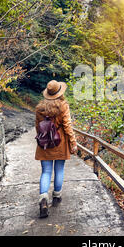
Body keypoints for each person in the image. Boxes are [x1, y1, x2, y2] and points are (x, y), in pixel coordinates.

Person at [35, 80, 77, 218]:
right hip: (60, 143)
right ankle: (57, 196)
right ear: (60, 93)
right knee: (59, 169)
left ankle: (43, 199)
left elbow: (38, 128)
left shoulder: (39, 108)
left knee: (46, 171)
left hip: (45, 144)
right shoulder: (63, 106)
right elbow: (67, 126)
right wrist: (73, 143)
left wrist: (43, 139)